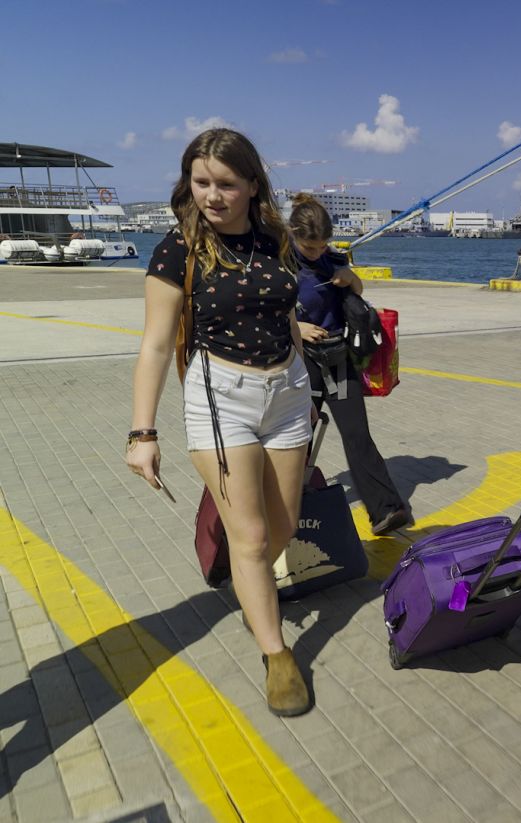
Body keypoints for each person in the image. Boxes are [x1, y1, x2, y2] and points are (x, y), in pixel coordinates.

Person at [126, 128, 313, 717]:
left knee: (279, 531)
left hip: (288, 394)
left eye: (226, 184)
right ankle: (276, 654)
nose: (212, 195)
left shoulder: (275, 238)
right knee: (255, 539)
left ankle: (237, 562)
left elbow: (282, 313)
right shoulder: (178, 249)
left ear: (252, 185)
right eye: (201, 183)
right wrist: (142, 433)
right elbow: (155, 347)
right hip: (219, 399)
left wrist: (302, 369)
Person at [289, 194, 410, 536]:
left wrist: (348, 276)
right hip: (301, 361)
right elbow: (263, 311)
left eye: (322, 245)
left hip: (338, 356)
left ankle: (387, 509)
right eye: (310, 247)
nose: (316, 252)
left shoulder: (333, 259)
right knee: (298, 437)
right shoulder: (280, 263)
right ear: (293, 235)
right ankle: (286, 507)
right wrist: (295, 327)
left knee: (357, 434)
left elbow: (358, 291)